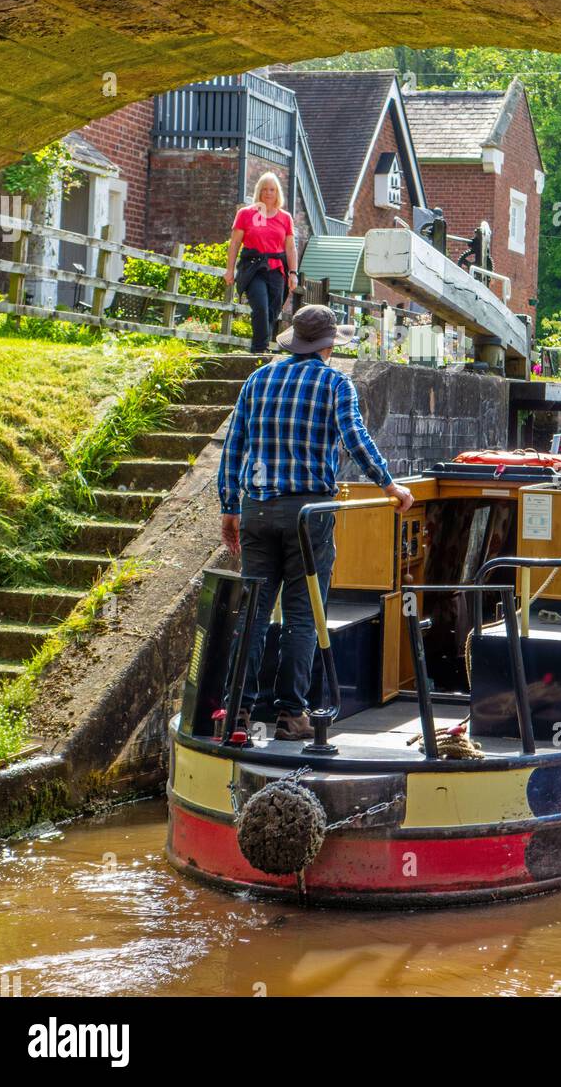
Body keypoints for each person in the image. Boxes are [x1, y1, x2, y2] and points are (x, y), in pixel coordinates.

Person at [218, 303, 415, 741]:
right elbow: (354, 438)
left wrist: (229, 507)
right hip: (309, 515)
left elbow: (234, 447)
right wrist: (390, 487)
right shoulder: (334, 384)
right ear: (327, 346)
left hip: (257, 510)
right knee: (303, 617)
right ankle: (292, 715)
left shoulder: (258, 379)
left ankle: (237, 714)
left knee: (252, 612)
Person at [225, 172, 298, 354]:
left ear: (277, 193)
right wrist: (229, 270)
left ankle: (258, 347)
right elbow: (234, 244)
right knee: (261, 308)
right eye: (264, 189)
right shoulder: (245, 214)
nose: (268, 193)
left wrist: (293, 273)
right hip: (253, 267)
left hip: (277, 270)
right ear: (259, 191)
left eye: (272, 189)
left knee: (272, 312)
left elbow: (290, 248)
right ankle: (260, 351)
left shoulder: (285, 218)